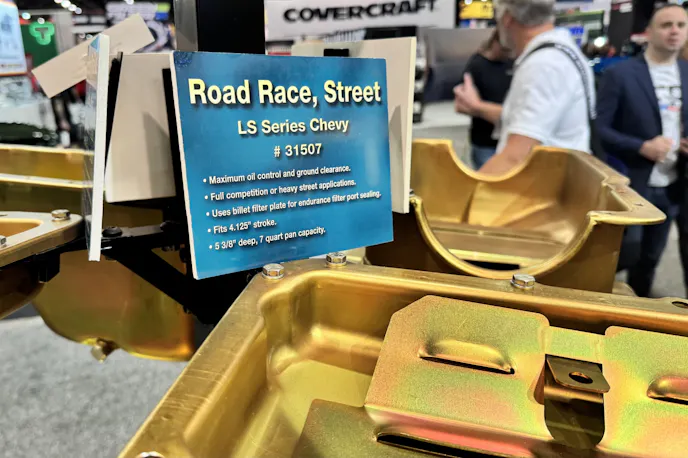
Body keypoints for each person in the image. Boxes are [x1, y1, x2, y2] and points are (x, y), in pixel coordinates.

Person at [596, 4, 688, 297]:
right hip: (635, 184)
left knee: (651, 258)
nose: (674, 31)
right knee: (628, 256)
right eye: (666, 25)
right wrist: (641, 146)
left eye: (681, 25)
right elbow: (601, 130)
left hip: (677, 185)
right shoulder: (620, 74)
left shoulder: (686, 72)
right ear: (648, 32)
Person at [453, 0, 595, 175]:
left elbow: (515, 157)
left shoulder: (544, 64)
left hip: (543, 185)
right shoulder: (561, 52)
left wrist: (468, 191)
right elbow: (525, 121)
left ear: (507, 18)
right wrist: (477, 107)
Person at [459, 31, 513, 169]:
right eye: (505, 50)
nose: (508, 54)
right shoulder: (477, 65)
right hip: (484, 141)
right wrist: (479, 108)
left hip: (509, 140)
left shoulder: (513, 63)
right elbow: (461, 105)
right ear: (495, 43)